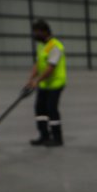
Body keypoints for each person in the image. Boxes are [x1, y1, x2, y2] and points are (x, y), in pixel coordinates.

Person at [25, 19, 67, 147]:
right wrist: (30, 79)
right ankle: (44, 136)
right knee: (40, 109)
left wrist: (36, 81)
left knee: (51, 109)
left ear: (44, 32)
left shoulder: (55, 46)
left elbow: (50, 67)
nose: (34, 35)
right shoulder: (42, 46)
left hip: (55, 84)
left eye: (36, 32)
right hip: (44, 84)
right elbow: (38, 64)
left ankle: (57, 138)